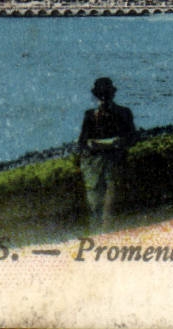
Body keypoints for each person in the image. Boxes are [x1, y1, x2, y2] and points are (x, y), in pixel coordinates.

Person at [76, 77, 137, 231]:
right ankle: (97, 236)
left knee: (110, 204)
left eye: (106, 95)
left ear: (112, 95)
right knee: (95, 204)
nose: (104, 98)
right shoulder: (90, 115)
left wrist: (110, 143)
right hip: (93, 166)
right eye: (101, 95)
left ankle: (107, 235)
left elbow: (132, 137)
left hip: (114, 163)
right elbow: (83, 142)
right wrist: (110, 143)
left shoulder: (123, 113)